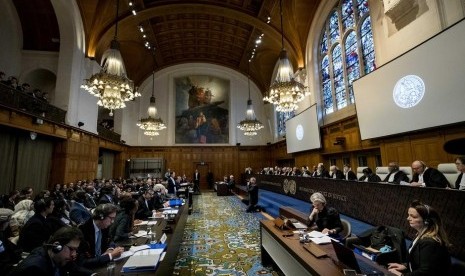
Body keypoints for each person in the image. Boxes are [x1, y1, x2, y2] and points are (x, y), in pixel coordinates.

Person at [387, 200, 450, 275]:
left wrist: (401, 275)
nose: (408, 218)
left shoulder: (429, 242)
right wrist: (405, 266)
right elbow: (419, 261)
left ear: (427, 221)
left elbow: (426, 272)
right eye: (408, 215)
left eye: (413, 216)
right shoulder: (421, 234)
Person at [9, 226, 93, 276]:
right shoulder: (35, 269)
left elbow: (74, 268)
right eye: (71, 249)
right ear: (57, 246)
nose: (73, 254)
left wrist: (93, 275)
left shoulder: (59, 257)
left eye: (76, 250)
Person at [78, 203, 124, 269]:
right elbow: (84, 262)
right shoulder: (83, 231)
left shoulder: (104, 227)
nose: (112, 222)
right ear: (101, 217)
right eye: (111, 218)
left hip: (102, 265)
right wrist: (111, 255)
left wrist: (110, 249)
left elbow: (110, 240)